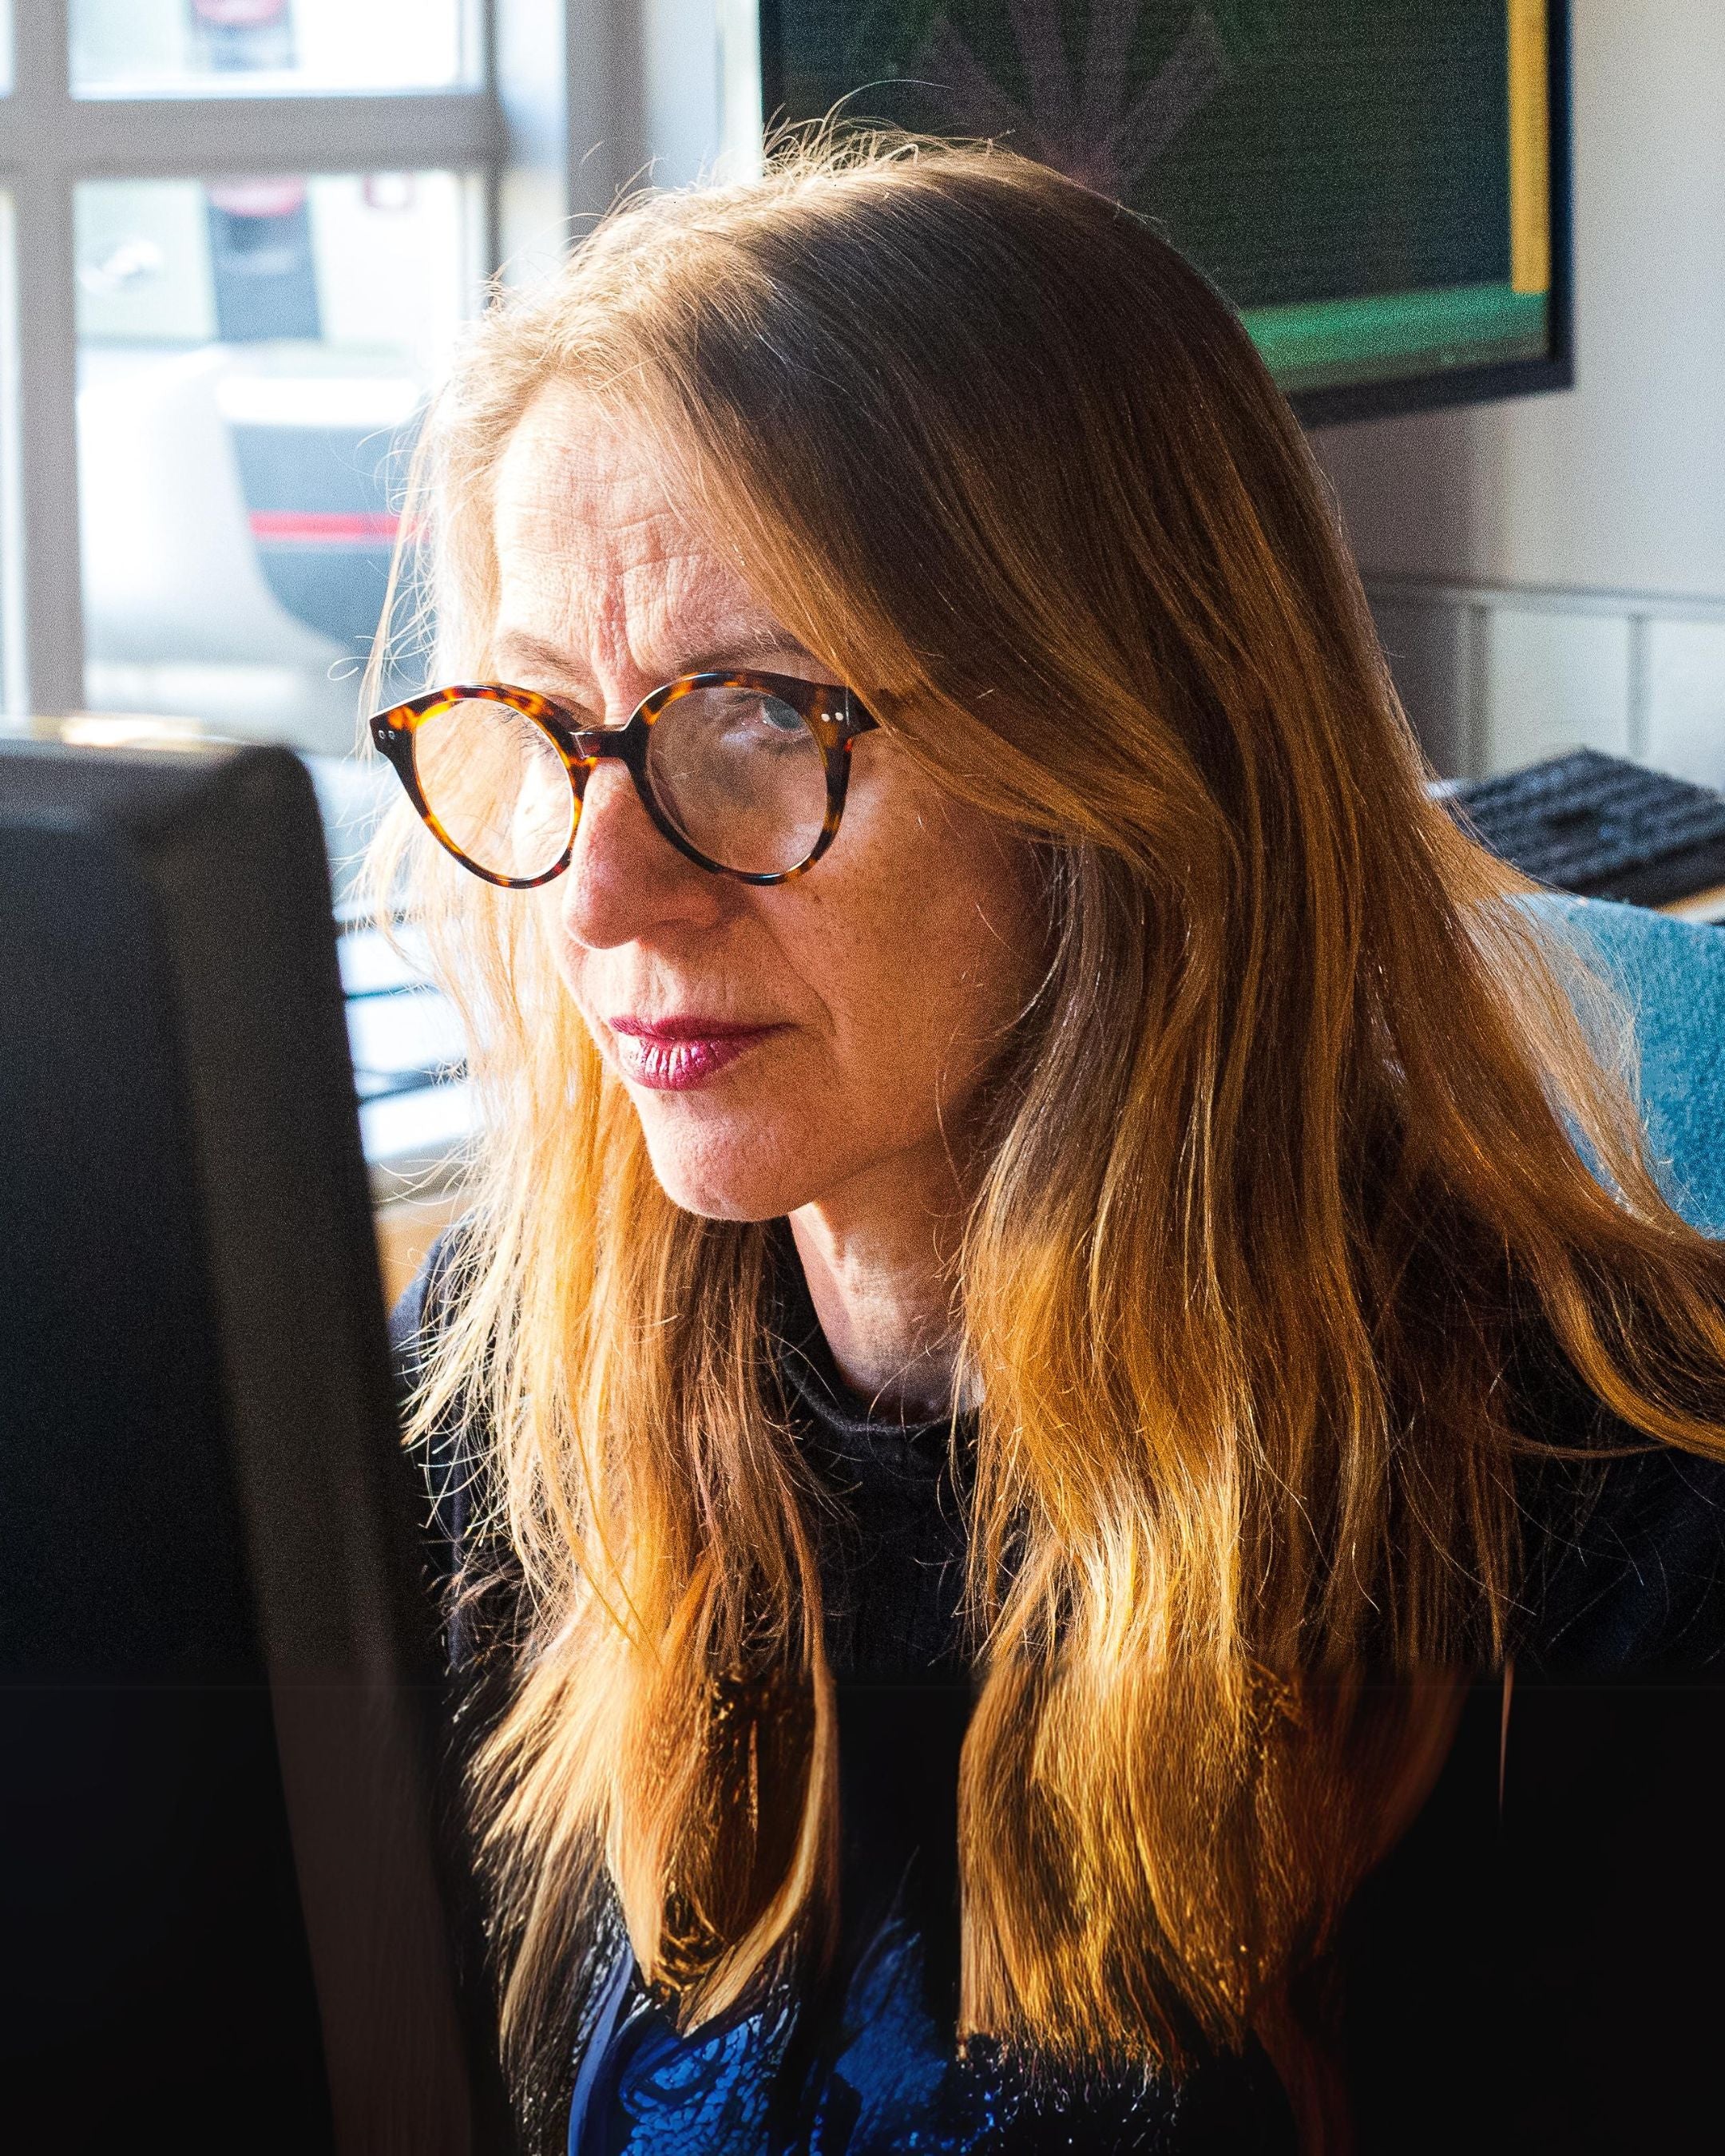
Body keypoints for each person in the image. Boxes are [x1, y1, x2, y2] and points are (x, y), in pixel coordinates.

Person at [375, 135, 1725, 2154]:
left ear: (1126, 767)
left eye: (757, 717)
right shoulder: (524, 1390)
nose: (598, 893)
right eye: (554, 725)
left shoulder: (1623, 1552)